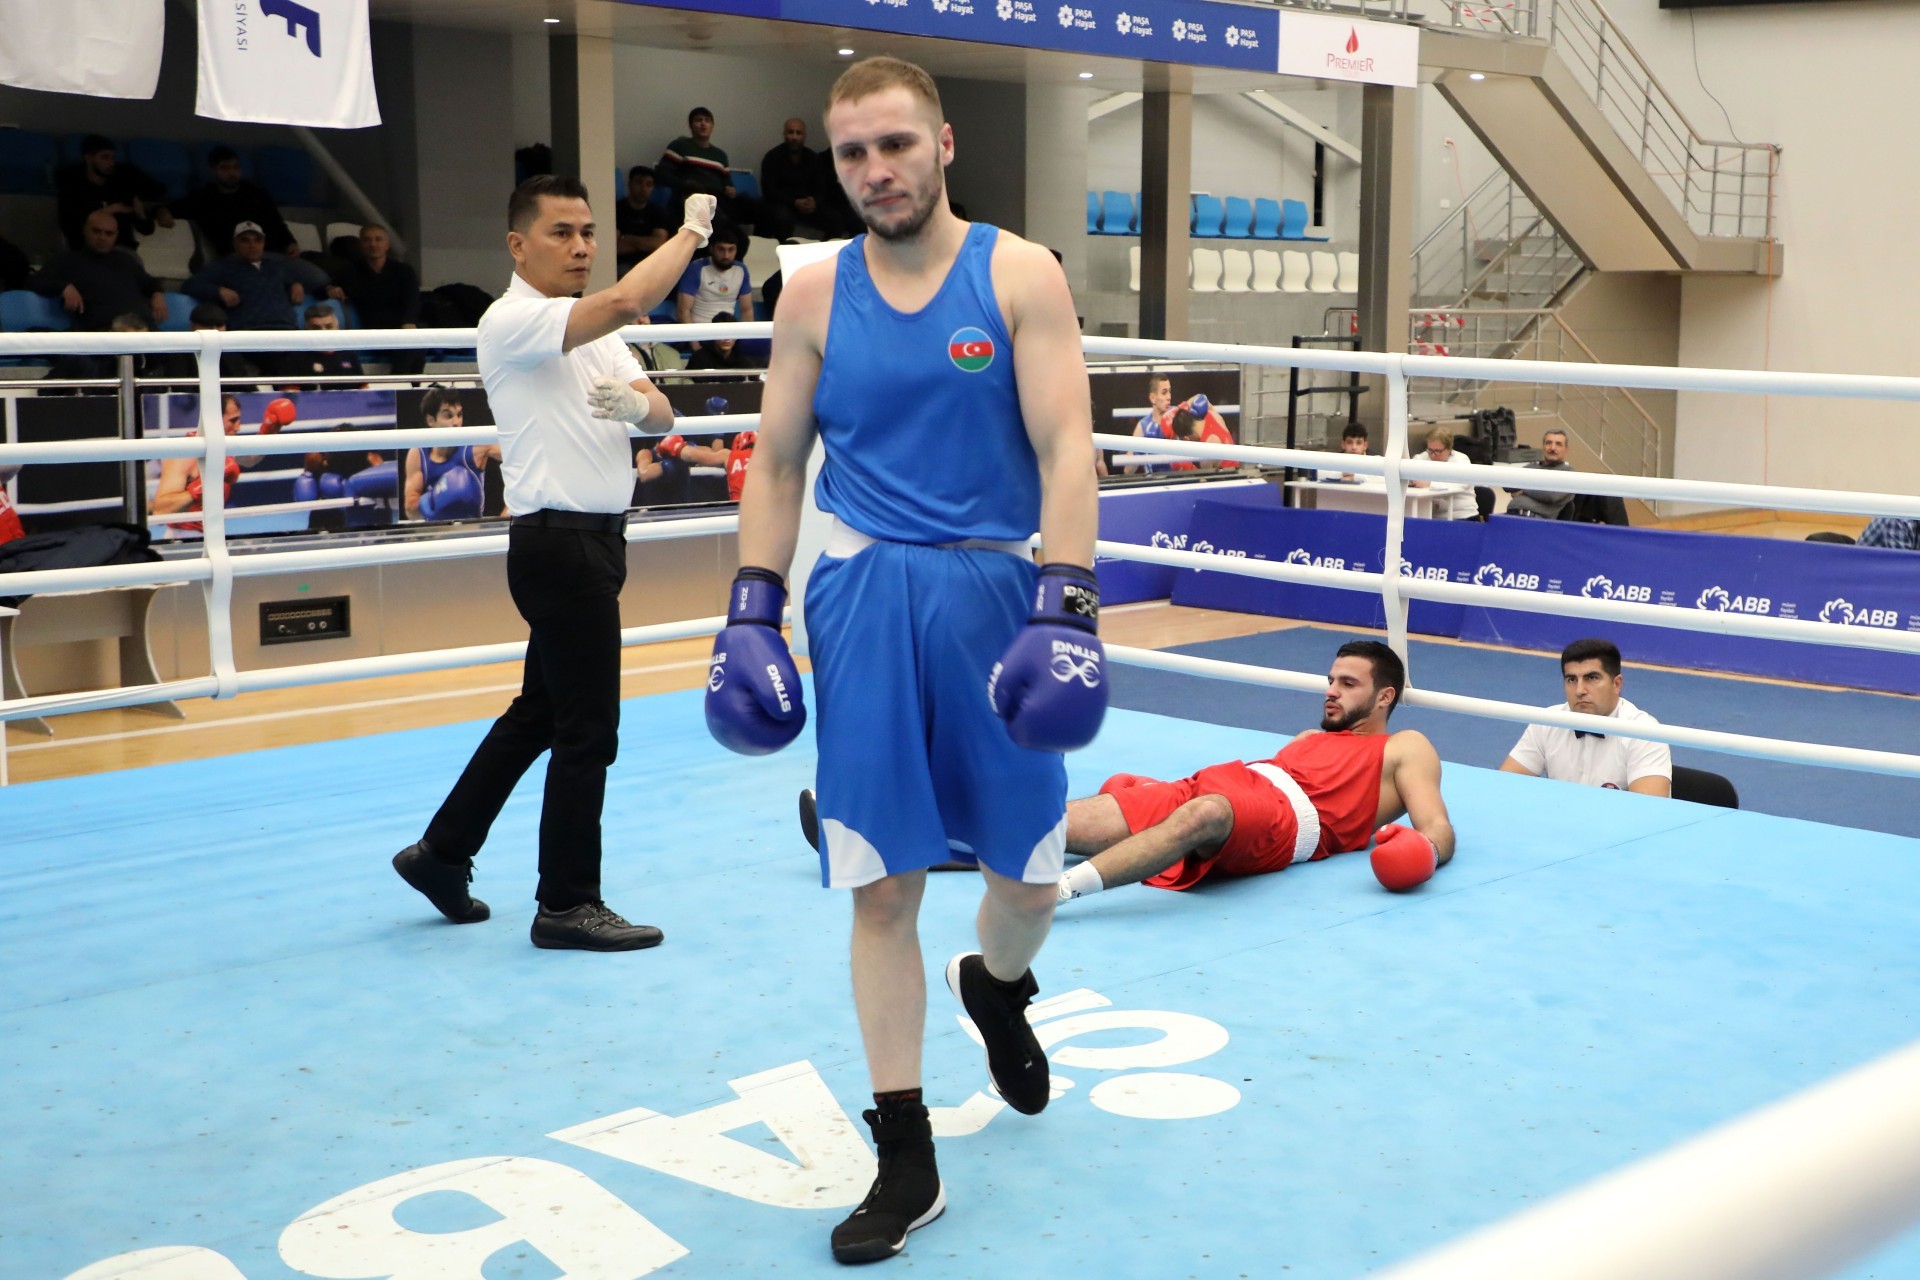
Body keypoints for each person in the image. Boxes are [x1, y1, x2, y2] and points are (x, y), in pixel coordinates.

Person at [707, 56, 1104, 1264]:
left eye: (894, 145)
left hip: (998, 590)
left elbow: (1067, 442)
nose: (875, 172)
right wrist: (752, 606)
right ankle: (904, 1149)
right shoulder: (814, 291)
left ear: (941, 143)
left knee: (1028, 877)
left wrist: (1068, 602)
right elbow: (777, 460)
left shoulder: (1018, 272)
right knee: (881, 882)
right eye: (851, 154)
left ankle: (995, 983)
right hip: (863, 595)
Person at [389, 177, 714, 951]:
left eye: (588, 233)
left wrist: (643, 410)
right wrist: (692, 234)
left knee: (540, 713)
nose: (580, 246)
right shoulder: (513, 320)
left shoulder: (593, 330)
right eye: (563, 232)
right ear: (518, 245)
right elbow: (634, 298)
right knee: (587, 729)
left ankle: (440, 853)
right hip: (558, 545)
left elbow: (662, 406)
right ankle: (566, 902)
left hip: (597, 540)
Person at [1055, 640, 1455, 902]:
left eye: (1348, 683)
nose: (1331, 690)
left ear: (1385, 697)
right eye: (1331, 680)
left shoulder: (1405, 745)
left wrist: (1425, 852)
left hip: (1284, 819)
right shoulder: (1309, 737)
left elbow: (1437, 825)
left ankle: (1060, 891)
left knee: (1206, 813)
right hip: (1227, 784)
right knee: (1049, 824)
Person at [1499, 637, 1672, 796]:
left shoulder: (1646, 734)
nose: (1580, 690)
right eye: (1571, 680)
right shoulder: (1546, 723)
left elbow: (1648, 814)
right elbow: (1502, 787)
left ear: (1617, 684)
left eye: (1592, 678)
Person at [151, 394, 296, 534]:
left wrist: (270, 429)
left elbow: (251, 459)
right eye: (233, 421)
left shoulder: (225, 447)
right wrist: (200, 487)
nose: (238, 428)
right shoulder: (185, 454)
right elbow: (160, 512)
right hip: (182, 535)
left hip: (213, 533)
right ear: (213, 420)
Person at [29, 209, 168, 332]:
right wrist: (64, 287)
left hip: (143, 329)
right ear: (85, 230)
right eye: (96, 231)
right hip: (103, 331)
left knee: (182, 354)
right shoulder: (67, 260)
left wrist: (158, 294)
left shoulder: (126, 260)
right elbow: (34, 281)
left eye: (109, 233)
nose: (102, 237)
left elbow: (149, 282)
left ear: (116, 235)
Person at [183, 222, 330, 335]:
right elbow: (190, 285)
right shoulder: (224, 266)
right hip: (249, 332)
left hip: (287, 330)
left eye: (257, 240)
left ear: (263, 243)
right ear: (235, 244)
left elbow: (315, 284)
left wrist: (296, 284)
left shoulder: (277, 265)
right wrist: (218, 291)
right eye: (245, 240)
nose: (252, 245)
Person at [326, 225, 424, 376]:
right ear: (360, 245)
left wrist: (408, 322)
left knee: (415, 346)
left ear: (387, 244)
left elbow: (413, 299)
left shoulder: (403, 270)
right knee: (414, 350)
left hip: (402, 329)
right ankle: (401, 387)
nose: (373, 244)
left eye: (378, 239)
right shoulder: (349, 272)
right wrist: (330, 289)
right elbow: (320, 288)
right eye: (367, 240)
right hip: (372, 331)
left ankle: (399, 382)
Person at [172, 146, 298, 258]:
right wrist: (163, 212)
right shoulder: (203, 198)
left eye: (235, 167)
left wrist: (290, 242)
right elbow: (173, 208)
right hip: (237, 260)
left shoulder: (256, 193)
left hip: (273, 255)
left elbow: (276, 222)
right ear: (214, 171)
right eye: (225, 168)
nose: (232, 173)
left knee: (312, 275)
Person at [54, 134, 169, 252]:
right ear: (89, 158)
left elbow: (147, 230)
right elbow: (69, 228)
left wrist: (141, 215)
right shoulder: (72, 188)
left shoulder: (122, 185)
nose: (111, 163)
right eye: (105, 157)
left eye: (112, 158)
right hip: (85, 249)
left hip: (121, 250)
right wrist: (106, 212)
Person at [402, 388, 495, 521]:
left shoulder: (476, 447)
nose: (457, 422)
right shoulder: (418, 454)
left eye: (459, 414)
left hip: (472, 533)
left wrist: (510, 512)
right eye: (448, 416)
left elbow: (521, 460)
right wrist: (436, 499)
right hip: (436, 535)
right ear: (430, 420)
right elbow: (410, 510)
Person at [759, 117, 827, 242]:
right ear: (784, 134)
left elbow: (822, 188)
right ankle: (784, 253)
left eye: (798, 133)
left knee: (835, 218)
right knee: (782, 217)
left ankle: (829, 256)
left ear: (804, 136)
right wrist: (794, 202)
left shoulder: (813, 159)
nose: (794, 137)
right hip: (782, 204)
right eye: (790, 132)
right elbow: (769, 190)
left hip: (807, 206)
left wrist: (814, 201)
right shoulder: (772, 157)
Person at [675, 232, 755, 335]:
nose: (726, 255)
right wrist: (696, 346)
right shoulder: (696, 268)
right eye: (721, 249)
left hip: (729, 333)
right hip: (700, 331)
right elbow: (683, 311)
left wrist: (747, 340)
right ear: (711, 248)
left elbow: (747, 310)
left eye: (731, 250)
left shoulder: (741, 270)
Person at [654, 428, 756, 501]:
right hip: (767, 508)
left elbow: (690, 455)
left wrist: (674, 445)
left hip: (739, 510)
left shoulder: (729, 455)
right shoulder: (768, 458)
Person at [283, 306, 366, 388]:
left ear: (337, 327)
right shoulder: (294, 358)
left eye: (329, 327)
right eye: (316, 328)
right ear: (306, 329)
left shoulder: (348, 354)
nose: (323, 332)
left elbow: (363, 390)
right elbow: (290, 395)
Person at [1504, 427, 1576, 519]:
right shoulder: (1531, 467)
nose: (1552, 448)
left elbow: (1551, 495)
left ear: (1566, 449)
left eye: (1558, 444)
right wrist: (1540, 489)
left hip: (1537, 521)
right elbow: (1508, 485)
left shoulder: (1568, 472)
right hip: (1511, 515)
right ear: (1543, 447)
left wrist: (1523, 489)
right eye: (1548, 443)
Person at [1409, 426, 1477, 520]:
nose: (1433, 455)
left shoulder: (1461, 460)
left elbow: (1459, 485)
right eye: (1430, 450)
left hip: (1462, 516)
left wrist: (1429, 484)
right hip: (1431, 516)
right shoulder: (1422, 458)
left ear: (1449, 449)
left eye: (1437, 451)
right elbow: (1409, 474)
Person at [614, 167, 674, 275]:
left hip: (651, 264)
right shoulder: (616, 209)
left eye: (648, 185)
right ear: (630, 184)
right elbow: (615, 247)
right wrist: (646, 244)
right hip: (622, 264)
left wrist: (626, 238)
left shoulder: (658, 212)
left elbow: (659, 244)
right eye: (639, 183)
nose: (643, 188)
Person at [683, 312, 758, 379]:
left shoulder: (744, 361)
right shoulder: (699, 359)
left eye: (731, 333)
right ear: (713, 334)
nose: (726, 339)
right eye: (722, 333)